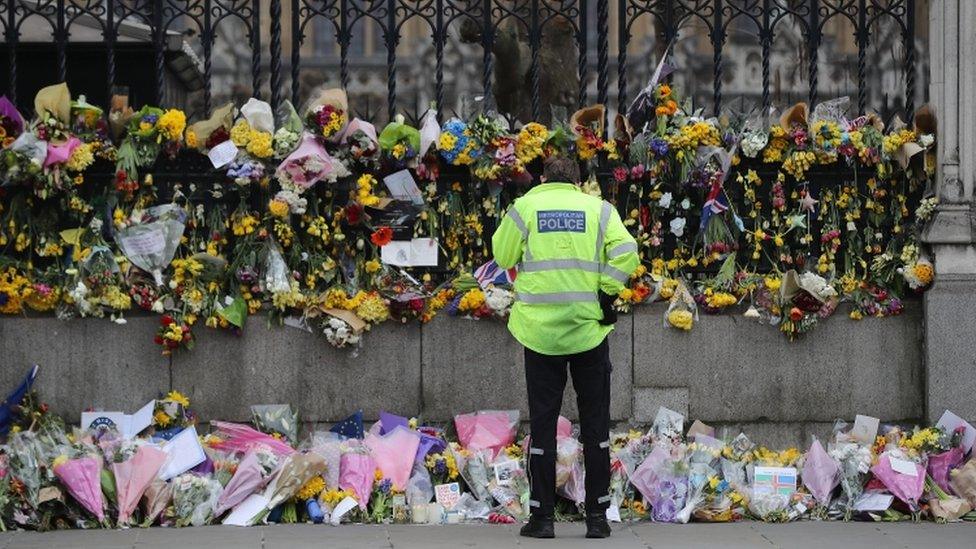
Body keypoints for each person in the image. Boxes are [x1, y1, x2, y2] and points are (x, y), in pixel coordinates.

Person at [491, 157, 639, 539]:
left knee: (543, 426)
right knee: (595, 426)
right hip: (588, 332)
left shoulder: (524, 208)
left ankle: (541, 519)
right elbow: (628, 252)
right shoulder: (599, 209)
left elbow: (502, 256)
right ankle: (598, 520)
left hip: (539, 335)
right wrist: (607, 294)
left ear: (543, 179)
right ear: (578, 181)